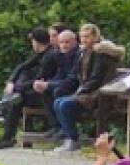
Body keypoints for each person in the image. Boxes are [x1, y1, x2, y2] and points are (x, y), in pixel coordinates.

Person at [50, 22, 125, 153]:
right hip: (87, 92)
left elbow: (96, 79)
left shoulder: (102, 53)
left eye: (87, 36)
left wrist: (80, 91)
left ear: (96, 37)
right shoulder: (84, 52)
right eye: (82, 36)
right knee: (57, 102)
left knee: (64, 105)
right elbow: (78, 74)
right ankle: (70, 138)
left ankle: (73, 140)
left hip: (100, 94)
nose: (84, 39)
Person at [0, 26, 60, 150]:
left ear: (36, 41)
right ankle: (6, 127)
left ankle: (6, 131)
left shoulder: (49, 56)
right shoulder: (42, 54)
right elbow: (22, 66)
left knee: (16, 100)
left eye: (32, 41)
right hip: (38, 91)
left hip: (47, 94)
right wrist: (11, 81)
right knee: (20, 85)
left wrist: (16, 87)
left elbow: (39, 79)